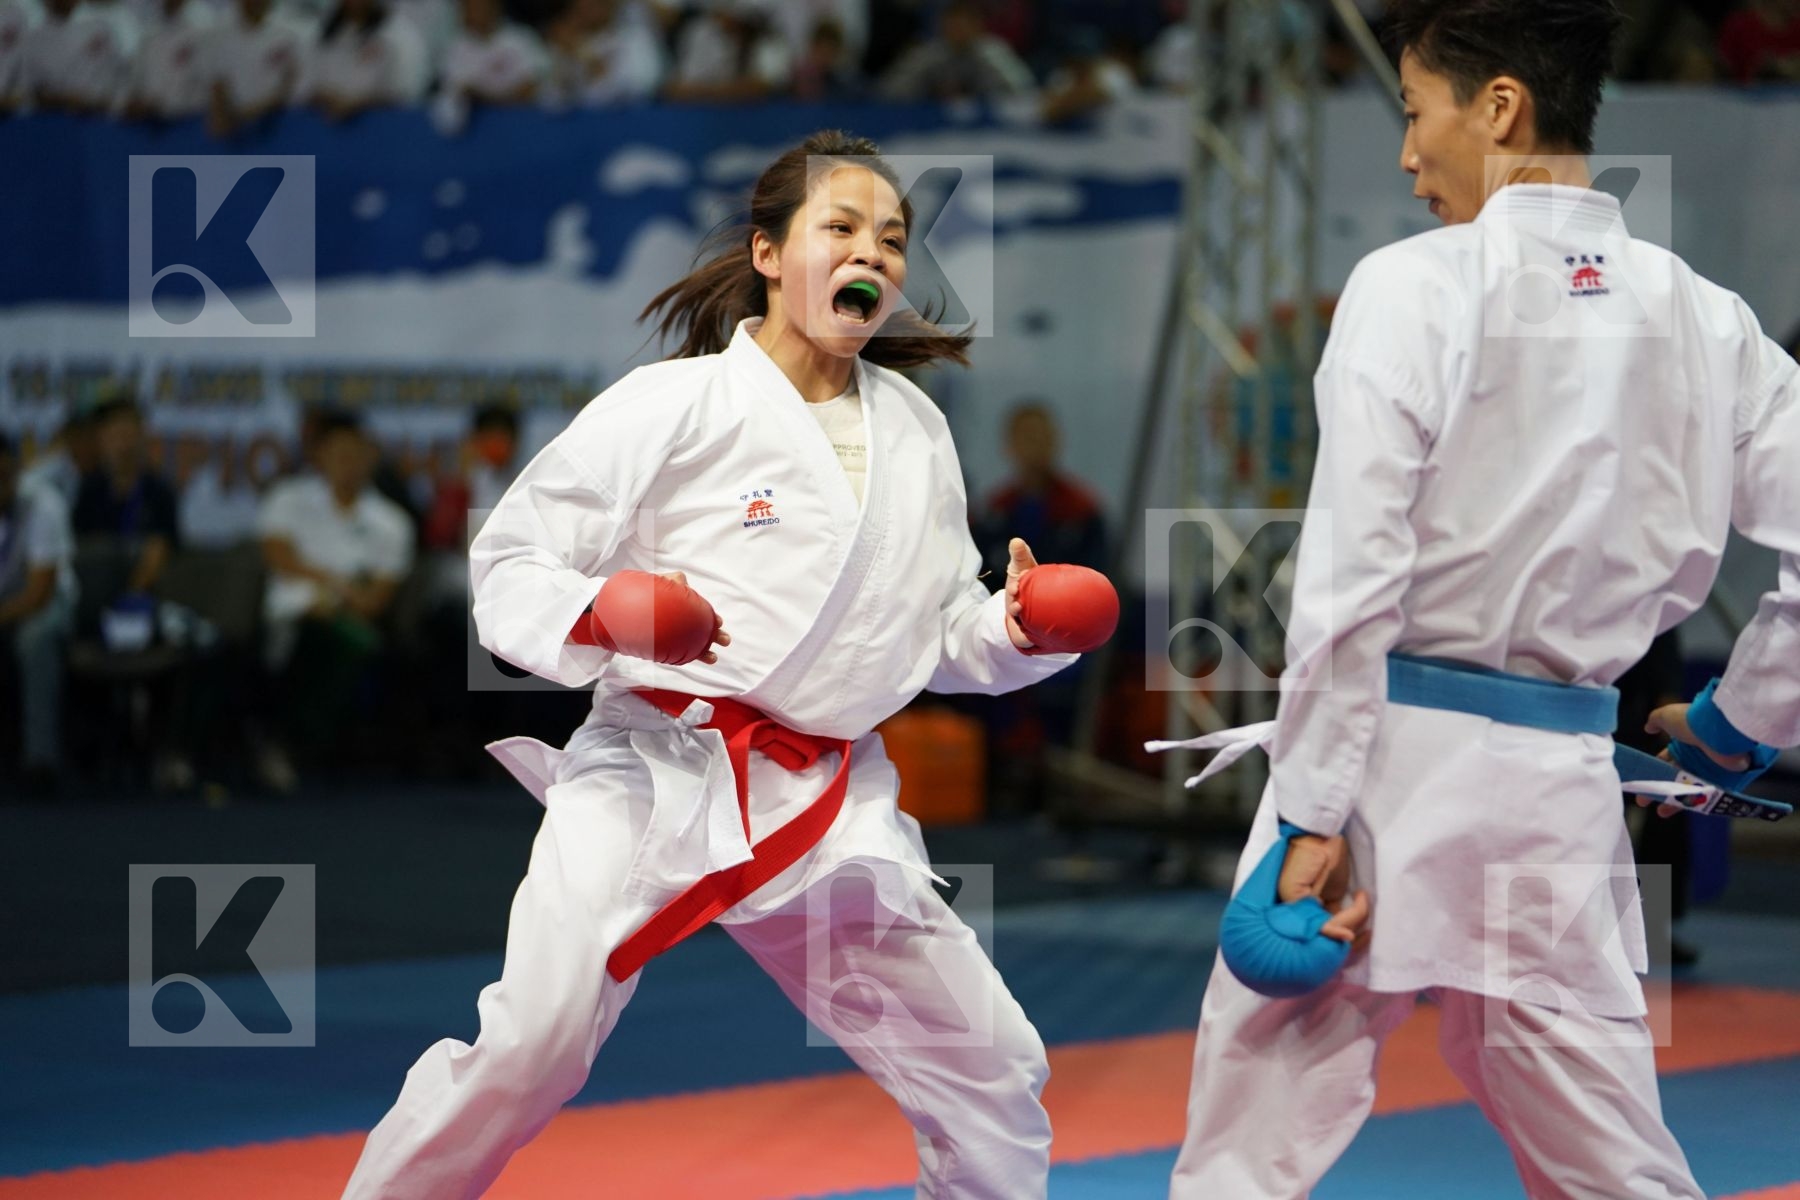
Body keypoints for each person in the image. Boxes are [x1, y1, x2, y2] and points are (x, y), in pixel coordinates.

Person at [343, 130, 1106, 1200]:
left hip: (827, 802)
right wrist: (602, 610)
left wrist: (1016, 630)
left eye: (892, 240)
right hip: (658, 764)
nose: (872, 257)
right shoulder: (675, 404)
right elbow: (513, 562)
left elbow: (936, 632)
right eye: (840, 230)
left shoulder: (918, 432)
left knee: (990, 1070)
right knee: (533, 1045)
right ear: (767, 253)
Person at [1165, 0, 1798, 1196]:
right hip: (1558, 791)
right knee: (1612, 1164)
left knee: (1244, 1161)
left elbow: (1349, 583)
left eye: (1416, 112)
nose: (1408, 156)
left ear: (1499, 105)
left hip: (1382, 775)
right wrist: (1738, 730)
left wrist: (1307, 811)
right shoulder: (1710, 322)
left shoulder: (1412, 285)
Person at [256, 411, 414, 790]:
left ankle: (292, 744)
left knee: (349, 642)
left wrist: (339, 599)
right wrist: (337, 584)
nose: (348, 463)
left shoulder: (391, 521)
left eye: (356, 454)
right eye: (338, 453)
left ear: (371, 458)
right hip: (287, 614)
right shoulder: (289, 498)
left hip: (347, 621)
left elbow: (378, 597)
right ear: (319, 456)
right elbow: (278, 555)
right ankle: (289, 742)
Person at [0, 431, 75, 797]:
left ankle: (39, 761)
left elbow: (39, 592)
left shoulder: (43, 504)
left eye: (3, 476)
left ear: (15, 471)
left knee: (35, 639)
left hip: (43, 602)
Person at [878, 0, 1034, 101]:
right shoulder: (928, 54)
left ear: (977, 26)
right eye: (952, 25)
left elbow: (1023, 93)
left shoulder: (993, 52)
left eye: (963, 25)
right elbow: (890, 94)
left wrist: (985, 63)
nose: (958, 32)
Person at [309, 0, 431, 119]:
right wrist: (328, 98)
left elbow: (405, 94)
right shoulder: (330, 34)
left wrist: (359, 103)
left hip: (381, 125)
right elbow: (310, 85)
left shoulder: (400, 35)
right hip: (325, 123)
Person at [206, 0, 310, 137]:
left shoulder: (287, 39)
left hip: (276, 128)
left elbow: (292, 84)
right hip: (233, 131)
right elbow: (217, 82)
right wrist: (222, 114)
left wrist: (257, 109)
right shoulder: (220, 40)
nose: (255, 3)